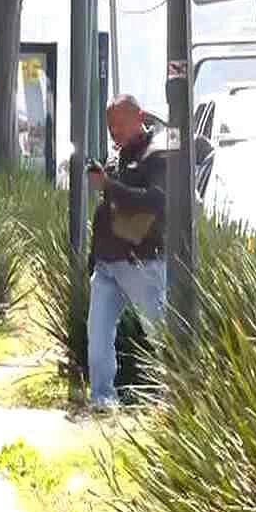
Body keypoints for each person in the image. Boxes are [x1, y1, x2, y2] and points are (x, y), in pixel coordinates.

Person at [84, 95, 169, 412]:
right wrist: (93, 258)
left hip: (141, 264)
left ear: (140, 117)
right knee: (99, 334)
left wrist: (109, 185)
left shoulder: (157, 156)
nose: (114, 132)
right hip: (107, 265)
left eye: (120, 124)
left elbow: (154, 201)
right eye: (110, 126)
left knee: (159, 333)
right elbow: (104, 212)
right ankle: (103, 398)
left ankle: (175, 395)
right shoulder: (115, 158)